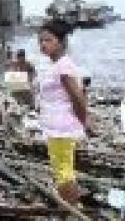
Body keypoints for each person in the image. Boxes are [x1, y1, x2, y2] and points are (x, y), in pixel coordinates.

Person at [36, 21, 94, 205]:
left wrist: (85, 122)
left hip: (62, 127)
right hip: (55, 126)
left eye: (48, 40)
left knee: (63, 171)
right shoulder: (57, 65)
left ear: (61, 42)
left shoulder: (63, 66)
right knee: (62, 169)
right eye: (41, 40)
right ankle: (71, 206)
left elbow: (77, 97)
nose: (43, 44)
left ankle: (71, 209)